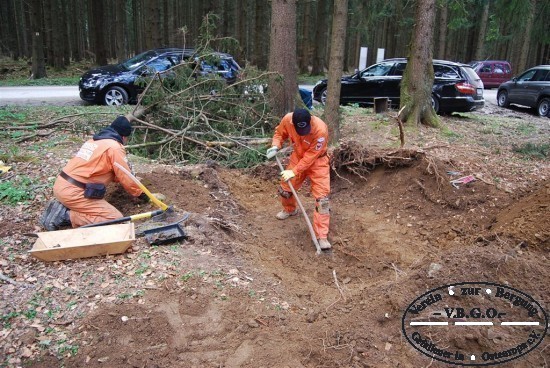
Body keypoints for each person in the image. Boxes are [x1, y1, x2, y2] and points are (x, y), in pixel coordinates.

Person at [39, 114, 146, 230]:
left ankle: (64, 208)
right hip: (75, 192)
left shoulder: (95, 141)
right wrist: (141, 194)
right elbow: (125, 176)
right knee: (115, 219)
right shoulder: (114, 147)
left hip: (63, 185)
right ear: (124, 137)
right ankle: (65, 216)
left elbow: (109, 172)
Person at [266, 108, 331, 250]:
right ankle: (289, 209)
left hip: (318, 162)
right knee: (285, 189)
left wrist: (294, 171)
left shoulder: (320, 129)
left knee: (322, 200)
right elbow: (279, 133)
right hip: (298, 158)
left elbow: (311, 157)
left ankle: (322, 236)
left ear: (310, 121)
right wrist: (275, 146)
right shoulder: (287, 120)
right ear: (293, 123)